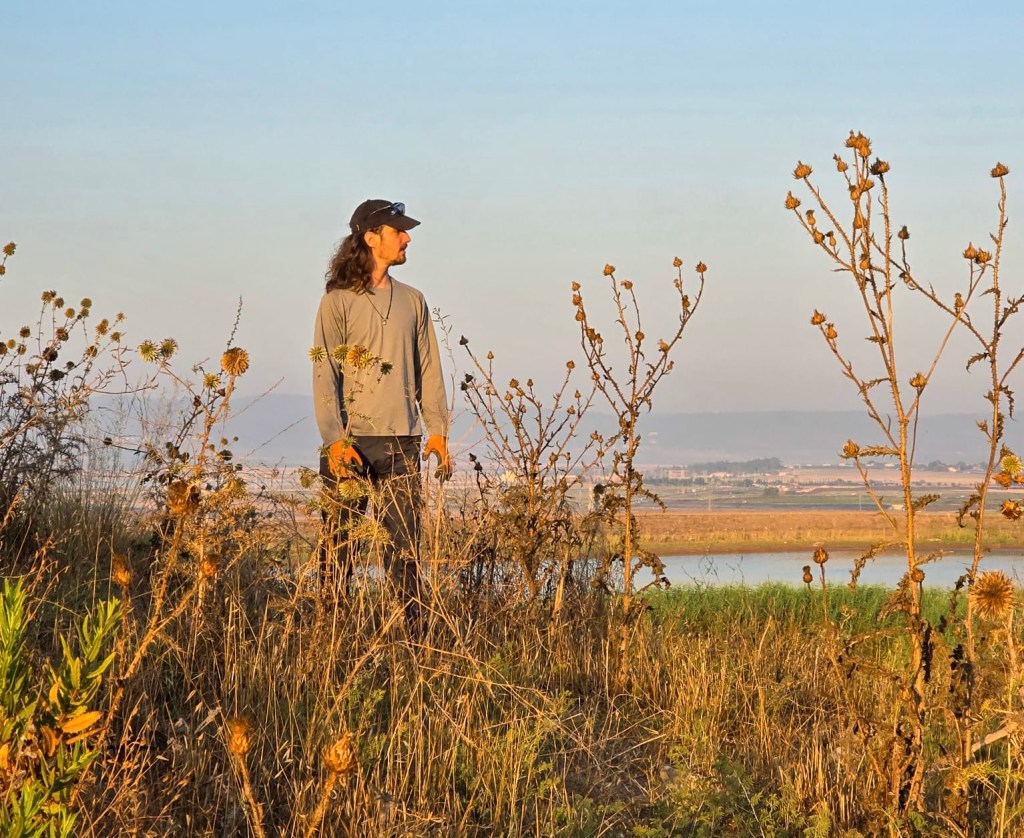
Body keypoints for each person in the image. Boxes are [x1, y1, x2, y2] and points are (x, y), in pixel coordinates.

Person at [312, 199, 451, 623]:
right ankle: (330, 634)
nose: (407, 238)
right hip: (350, 444)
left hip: (402, 441)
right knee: (339, 550)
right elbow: (324, 371)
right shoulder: (337, 302)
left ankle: (415, 638)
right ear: (372, 238)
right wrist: (334, 440)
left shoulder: (414, 300)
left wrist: (437, 430)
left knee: (405, 551)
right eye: (398, 232)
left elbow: (429, 368)